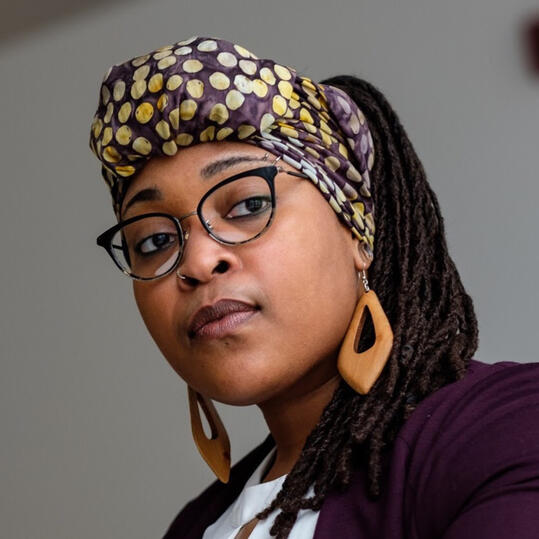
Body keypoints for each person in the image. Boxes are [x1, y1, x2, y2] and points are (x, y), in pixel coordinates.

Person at [88, 36, 539, 538]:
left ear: (356, 230)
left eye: (247, 205)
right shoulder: (194, 525)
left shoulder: (504, 429)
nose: (196, 261)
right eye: (153, 240)